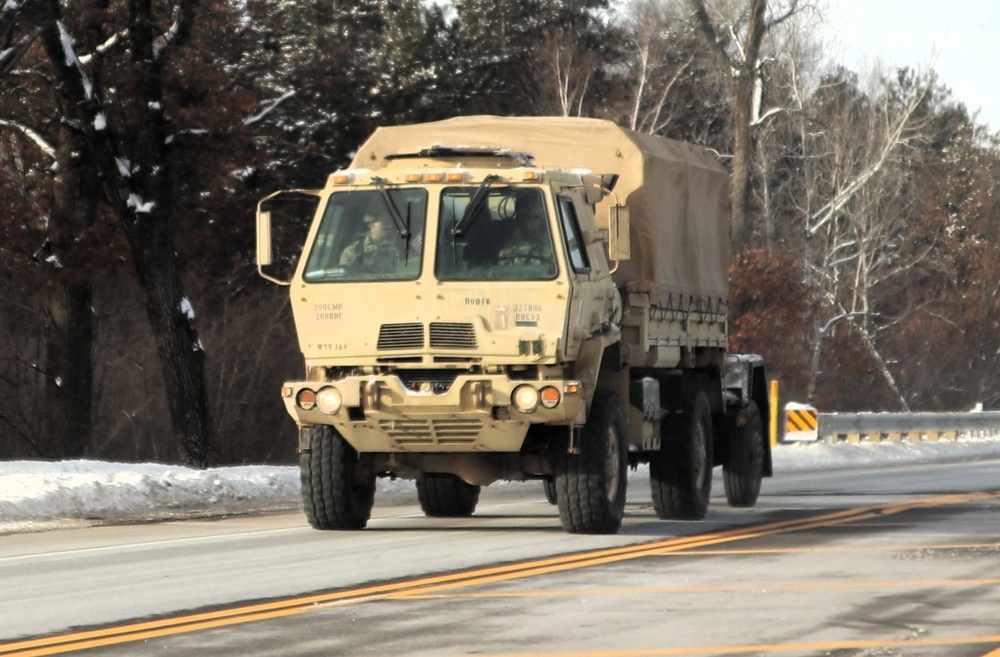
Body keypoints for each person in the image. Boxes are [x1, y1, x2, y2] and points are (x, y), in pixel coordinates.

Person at [498, 195, 551, 266]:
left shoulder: (551, 241)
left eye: (536, 217)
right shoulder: (513, 244)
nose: (532, 222)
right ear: (523, 221)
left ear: (542, 219)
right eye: (528, 218)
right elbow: (502, 266)